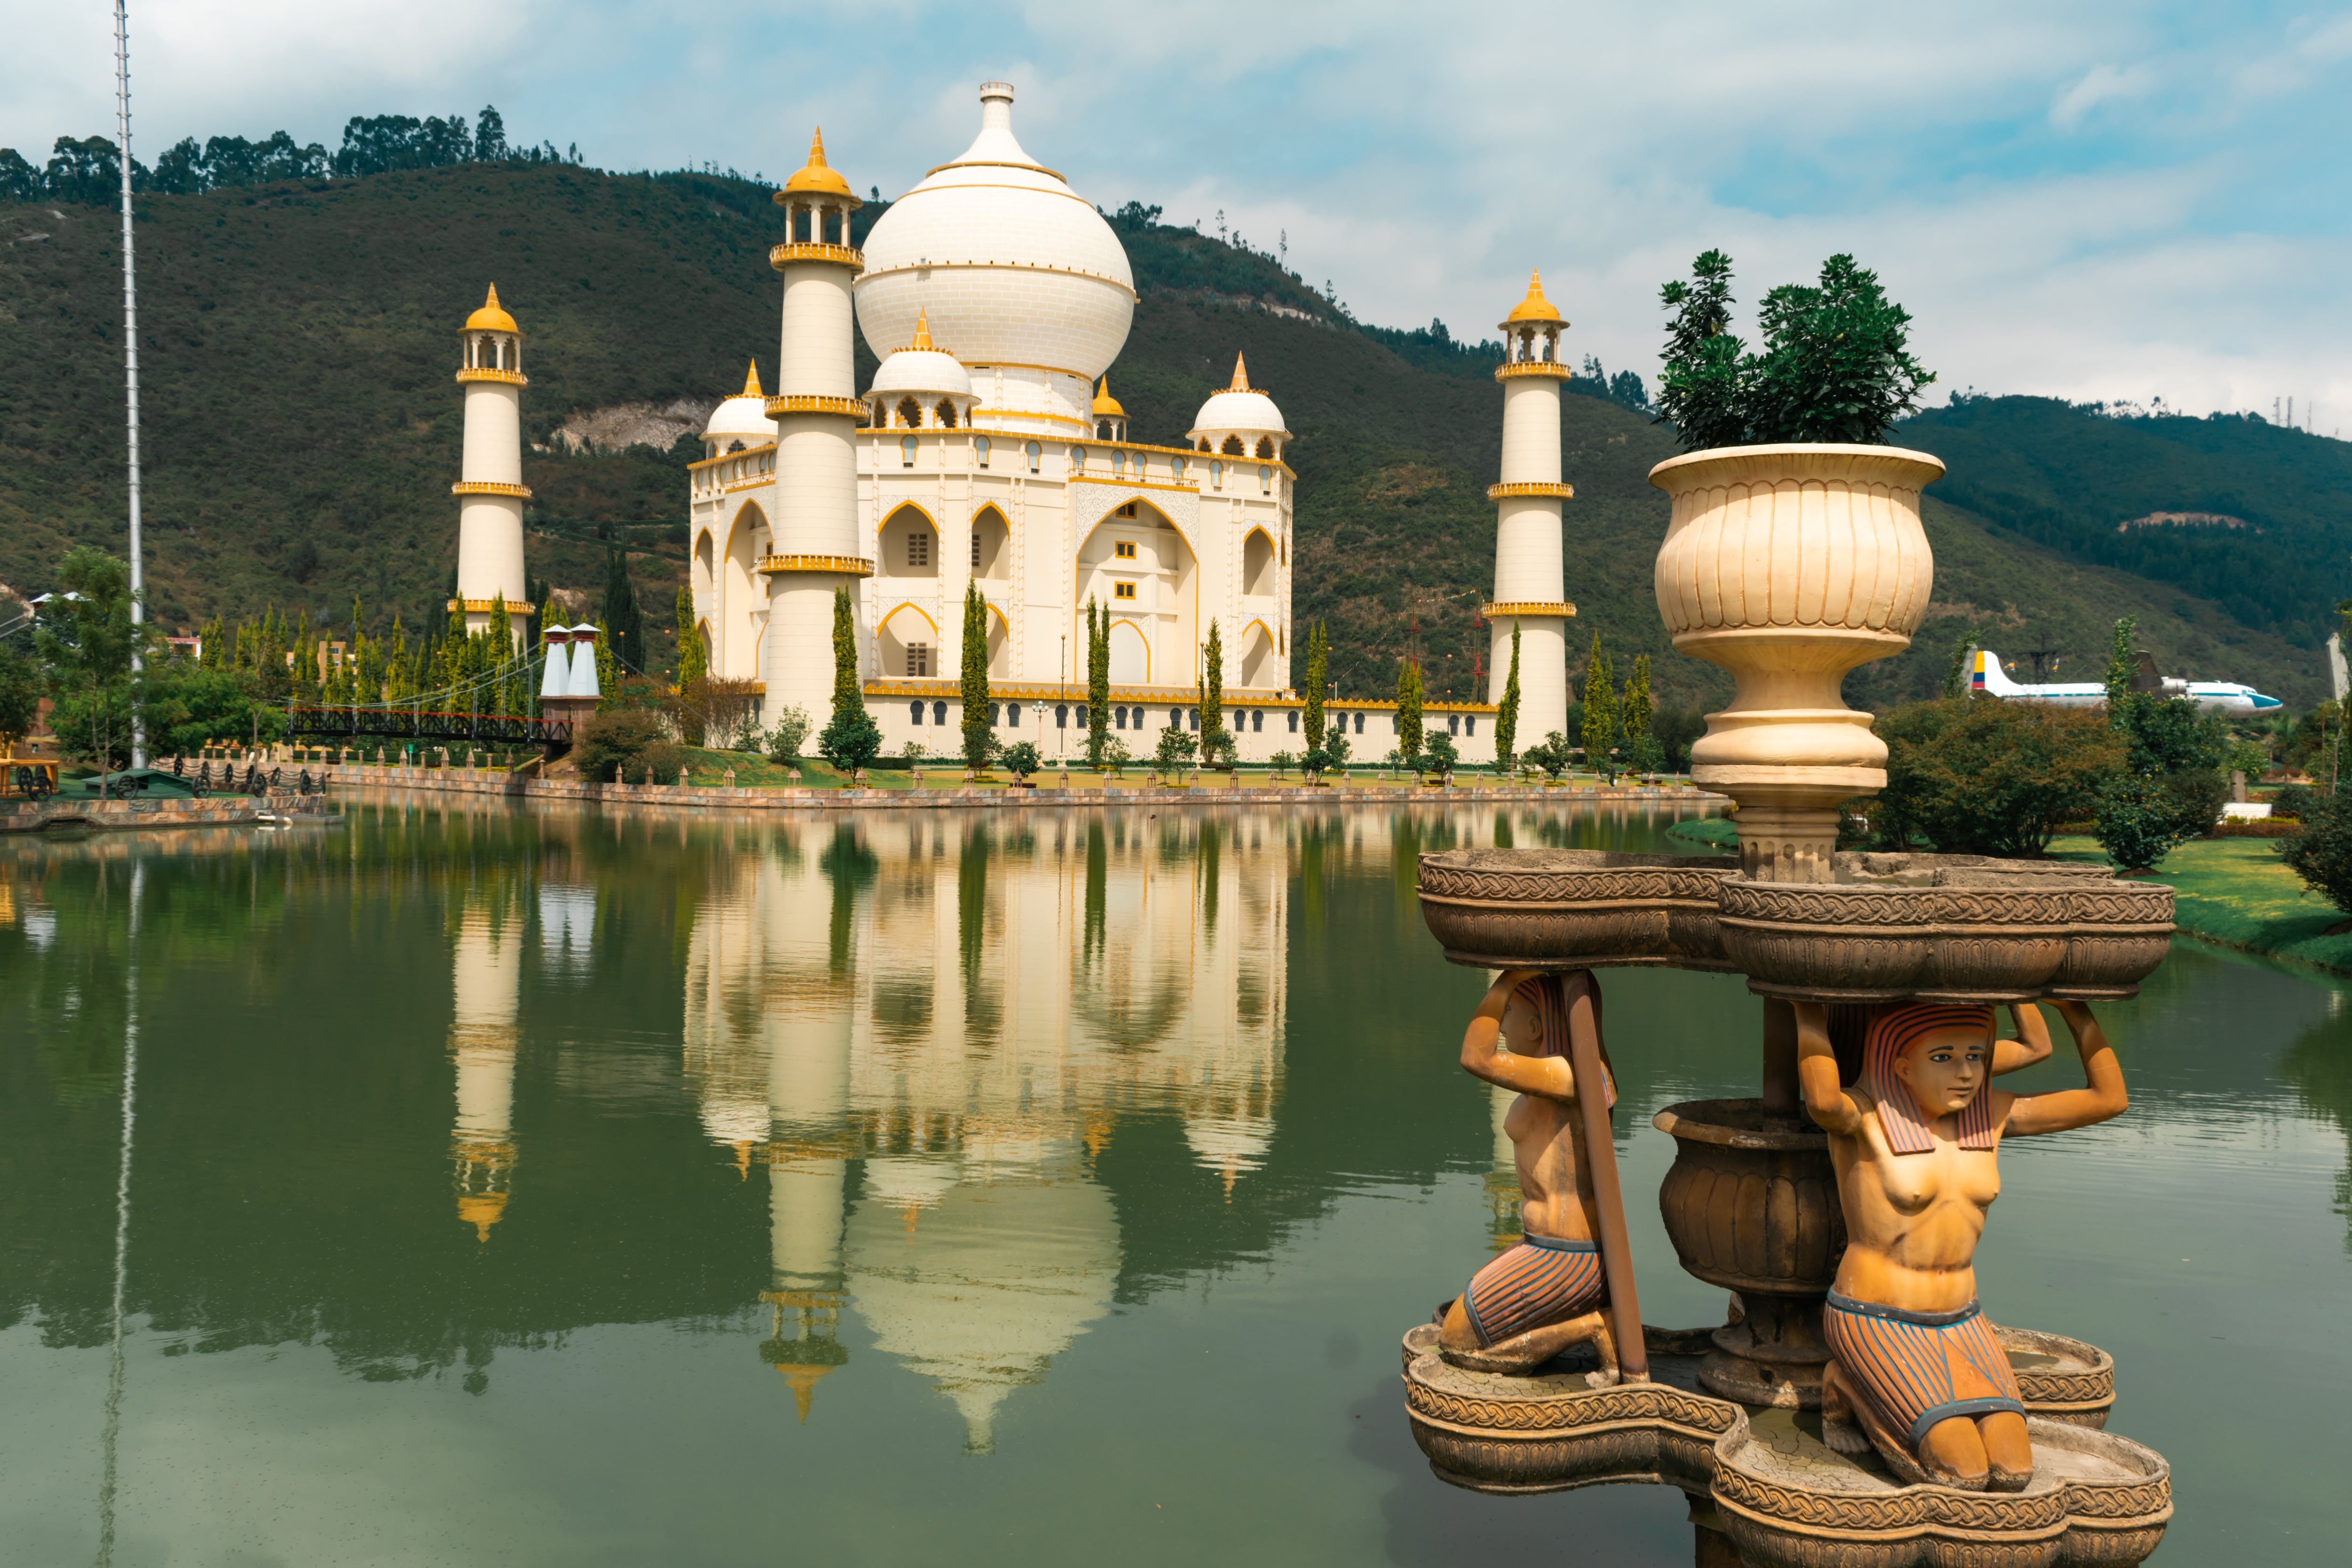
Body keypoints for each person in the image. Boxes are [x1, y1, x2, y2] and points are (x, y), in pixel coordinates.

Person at [1796, 999, 2126, 1491]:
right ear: (1901, 1067)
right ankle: (1843, 1383)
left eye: (1975, 1056)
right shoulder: (1865, 1117)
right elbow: (1822, 1101)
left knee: (2013, 1470)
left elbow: (2107, 1100)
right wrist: (1807, 1011)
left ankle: (1880, 1393)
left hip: (1961, 1320)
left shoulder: (1989, 1115)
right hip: (1876, 1316)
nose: (1964, 1072)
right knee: (1962, 1475)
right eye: (1942, 1058)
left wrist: (2076, 1011)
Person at [1436, 968, 1621, 1380]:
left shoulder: (1568, 1075)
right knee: (1450, 1315)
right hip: (1549, 1245)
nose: (1501, 1022)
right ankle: (1586, 1322)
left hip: (1565, 1256)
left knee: (1456, 1340)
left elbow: (1475, 1056)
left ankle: (1592, 1325)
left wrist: (1505, 980)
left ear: (1537, 1025)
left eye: (1510, 1011)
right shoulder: (1563, 1074)